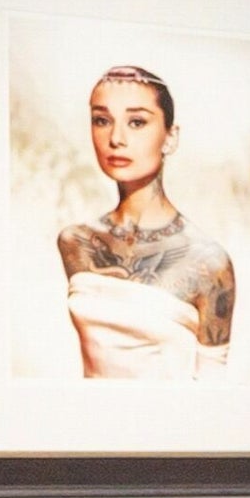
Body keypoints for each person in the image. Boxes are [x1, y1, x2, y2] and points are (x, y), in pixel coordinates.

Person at [57, 63, 235, 380]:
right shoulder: (75, 242)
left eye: (137, 122)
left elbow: (213, 390)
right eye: (102, 120)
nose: (116, 138)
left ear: (170, 137)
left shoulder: (208, 262)